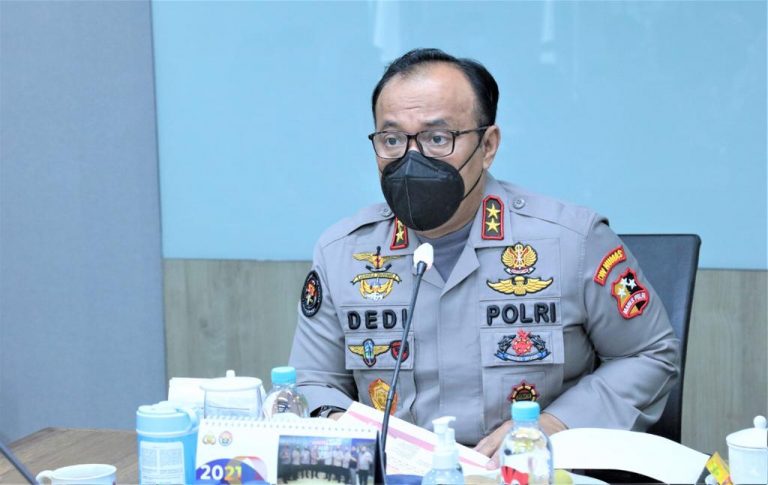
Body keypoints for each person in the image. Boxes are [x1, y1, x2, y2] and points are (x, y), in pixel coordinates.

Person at [289, 48, 680, 462]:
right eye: (392, 140)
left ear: (488, 145)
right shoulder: (342, 253)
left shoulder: (573, 241)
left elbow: (650, 354)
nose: (411, 159)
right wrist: (338, 423)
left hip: (529, 469)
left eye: (437, 139)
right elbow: (312, 382)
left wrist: (555, 425)